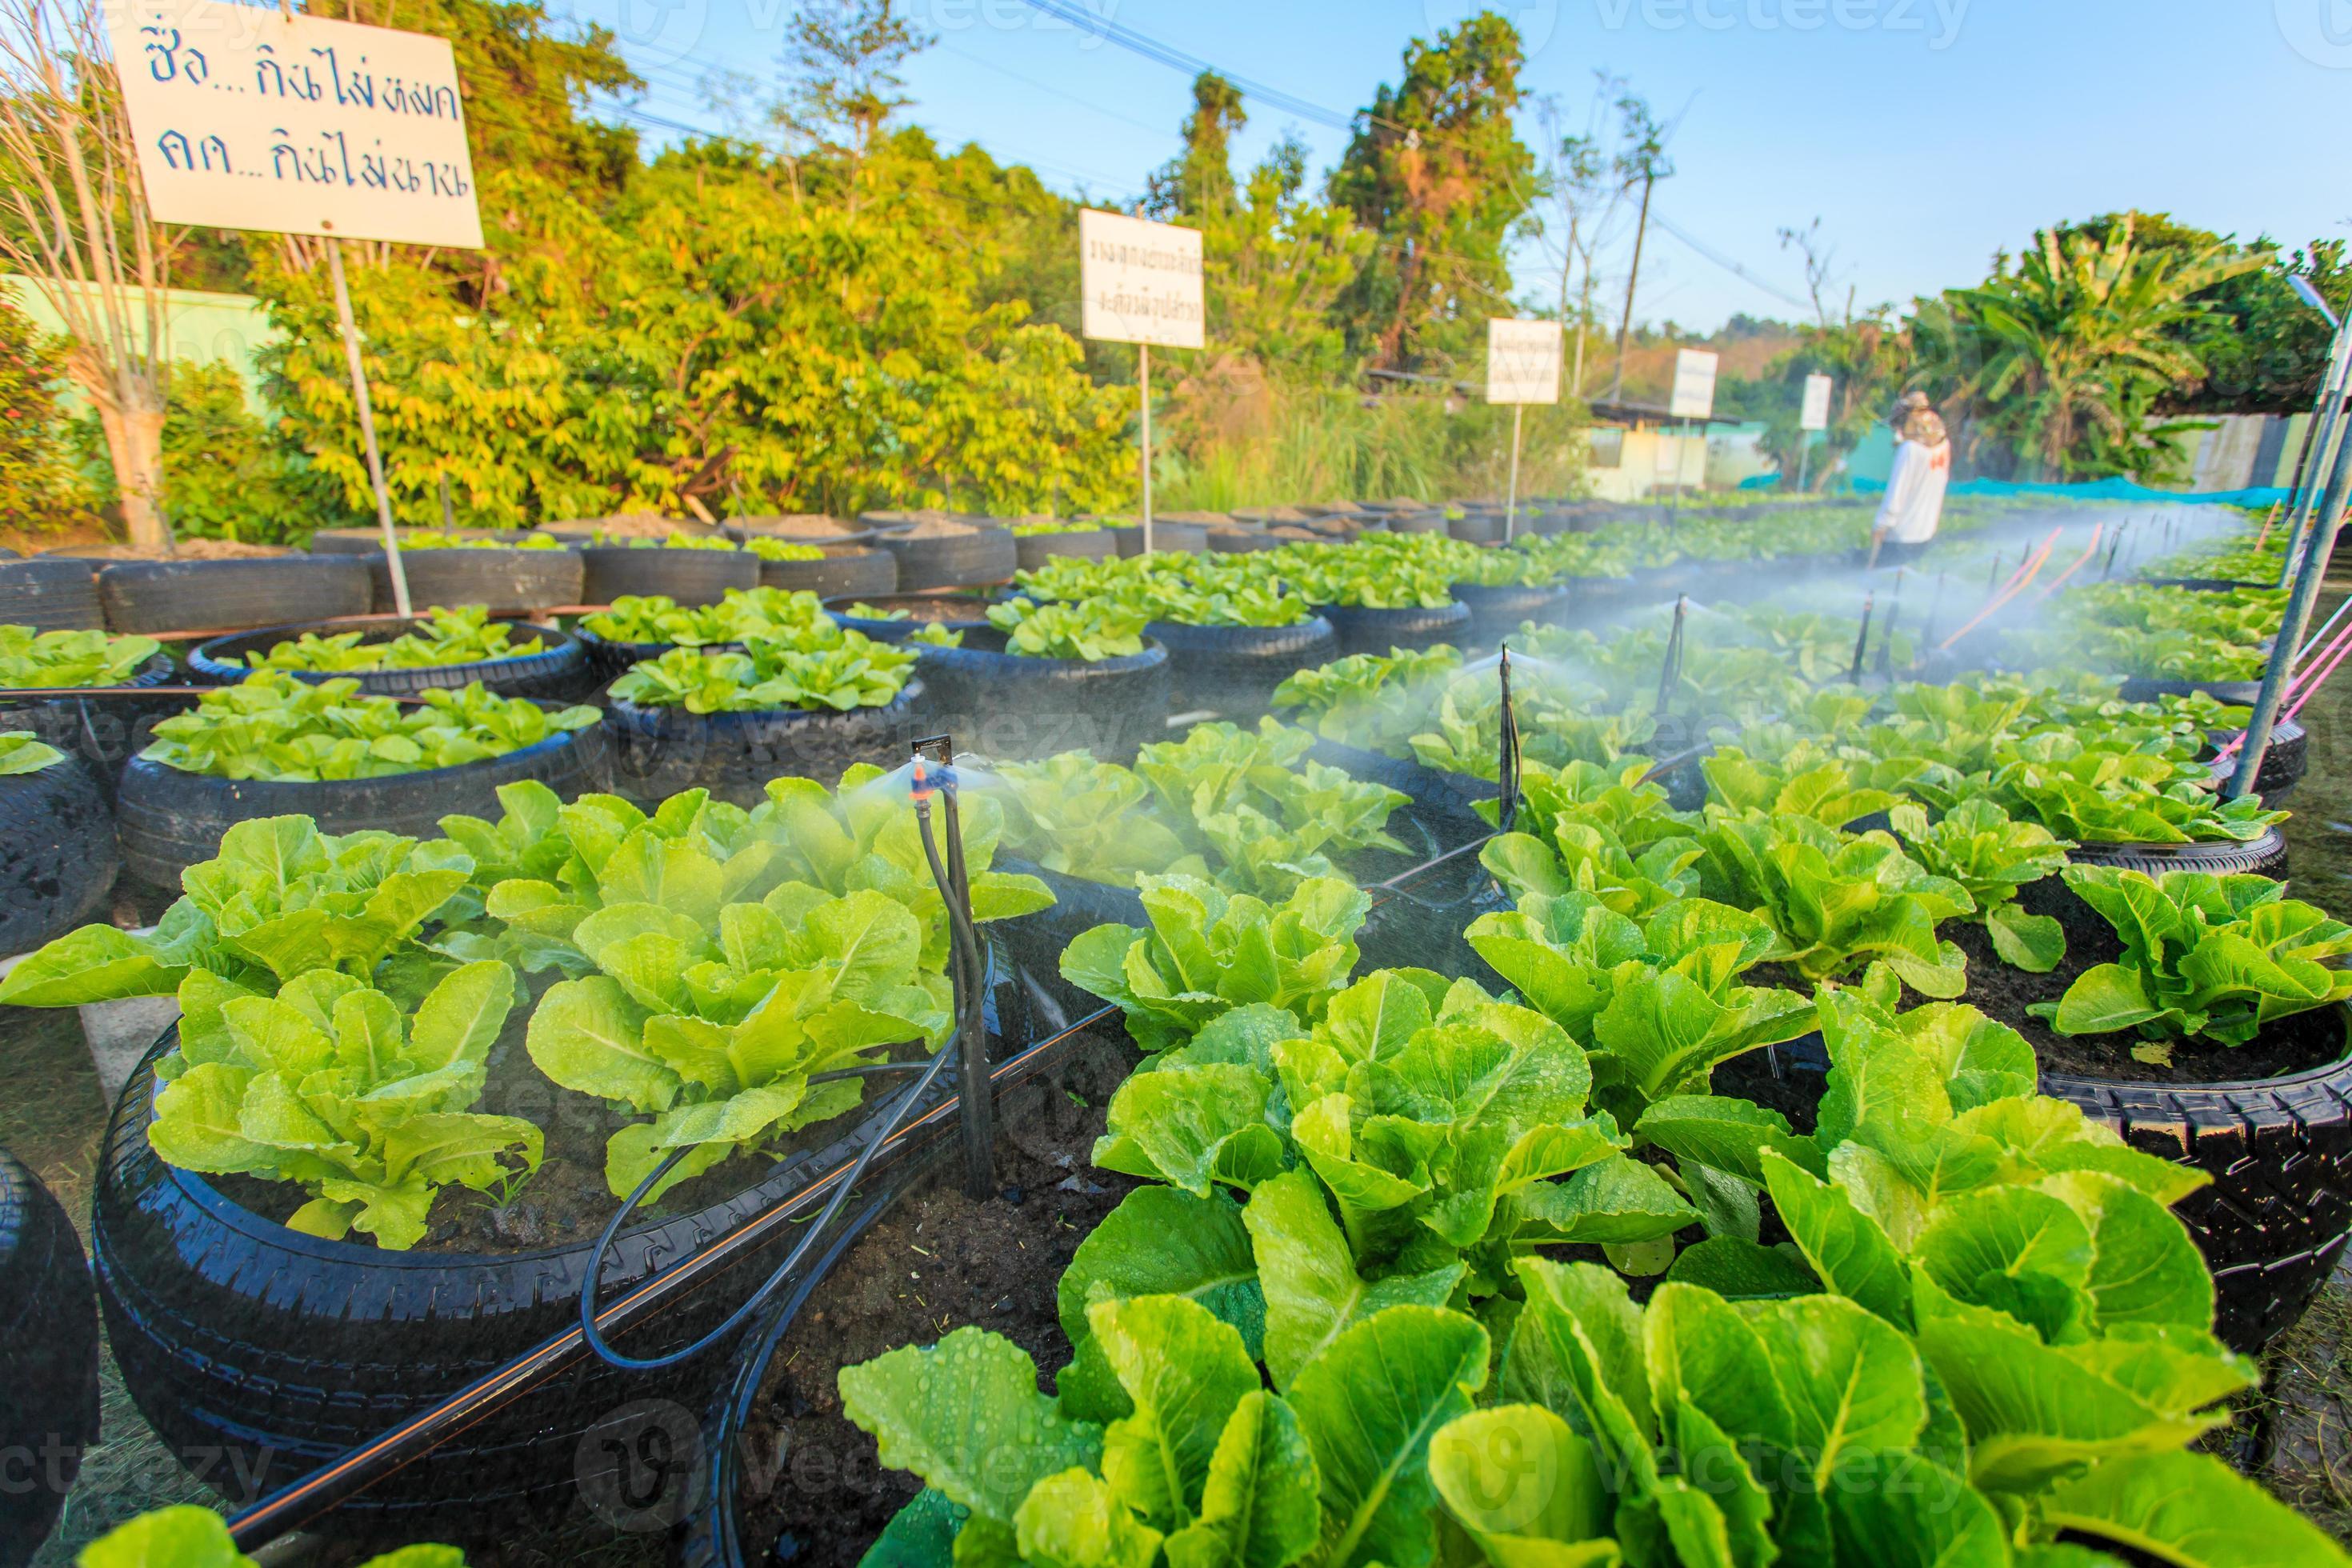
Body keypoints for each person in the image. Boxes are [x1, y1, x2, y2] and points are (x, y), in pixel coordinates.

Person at [1866, 391, 1954, 567]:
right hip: (1926, 533)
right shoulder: (1944, 445)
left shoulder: (1909, 450)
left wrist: (1880, 526)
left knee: (1882, 585)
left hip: (1901, 536)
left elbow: (1895, 498)